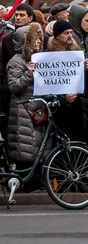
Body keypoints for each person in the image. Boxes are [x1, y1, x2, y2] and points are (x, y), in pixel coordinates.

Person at [6, 24, 48, 173]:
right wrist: (28, 74)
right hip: (23, 112)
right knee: (25, 149)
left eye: (39, 38)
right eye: (34, 39)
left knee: (37, 149)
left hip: (36, 109)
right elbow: (14, 87)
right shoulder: (16, 61)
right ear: (25, 41)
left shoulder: (39, 59)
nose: (38, 42)